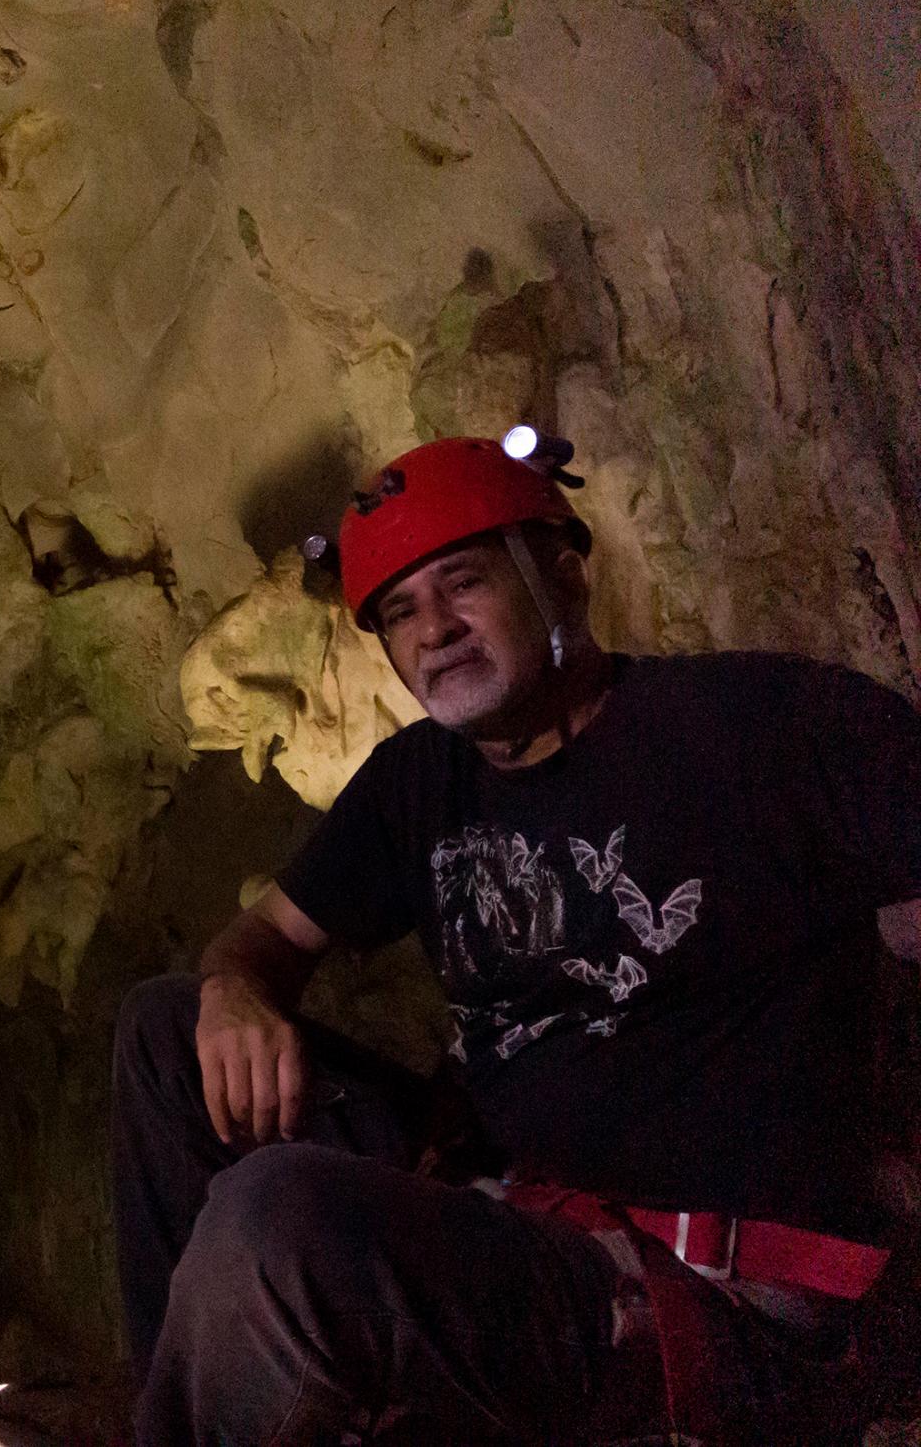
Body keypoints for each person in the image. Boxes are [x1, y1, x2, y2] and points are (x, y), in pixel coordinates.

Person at [112, 433, 921, 1445]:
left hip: (699, 1277)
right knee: (164, 1029)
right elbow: (260, 939)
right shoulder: (420, 779)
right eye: (398, 612)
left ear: (562, 573)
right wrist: (234, 986)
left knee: (273, 1224)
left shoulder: (753, 726)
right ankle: (175, 1412)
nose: (432, 630)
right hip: (508, 1211)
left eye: (461, 582)